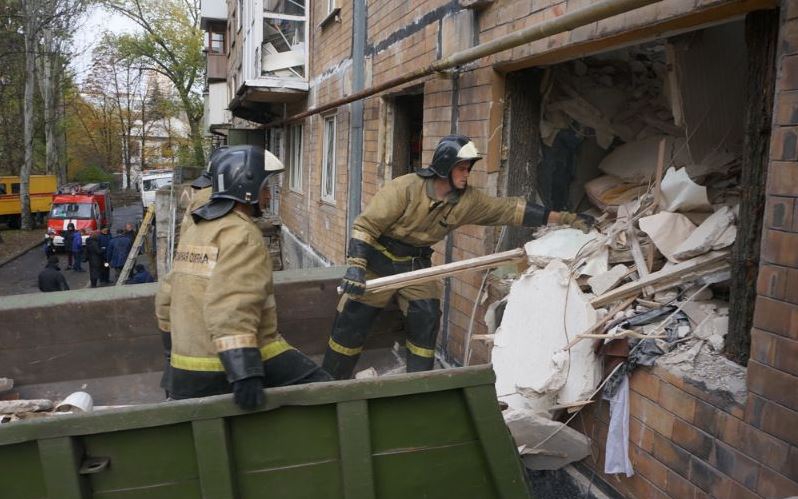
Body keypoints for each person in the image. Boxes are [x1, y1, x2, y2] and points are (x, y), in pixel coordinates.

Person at [322, 135, 596, 379]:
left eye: (468, 169)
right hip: (377, 264)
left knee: (427, 316)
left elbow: (510, 210)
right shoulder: (404, 188)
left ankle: (418, 387)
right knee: (353, 318)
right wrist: (356, 267)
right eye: (462, 168)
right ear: (444, 167)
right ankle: (330, 383)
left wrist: (566, 218)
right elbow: (365, 226)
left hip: (416, 268)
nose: (467, 175)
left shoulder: (468, 201)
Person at [154, 145, 331, 410]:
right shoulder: (241, 234)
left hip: (185, 368)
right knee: (327, 391)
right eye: (265, 187)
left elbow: (166, 297)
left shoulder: (198, 228)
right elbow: (232, 304)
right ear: (246, 187)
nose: (268, 195)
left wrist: (172, 359)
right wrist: (244, 371)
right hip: (224, 364)